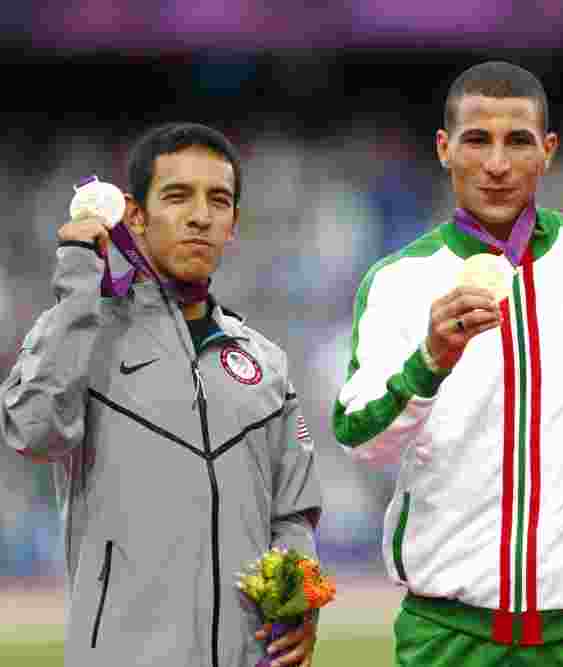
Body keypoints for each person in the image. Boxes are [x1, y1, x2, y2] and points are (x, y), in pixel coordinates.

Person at [333, 61, 563, 666]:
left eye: (518, 141)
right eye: (477, 140)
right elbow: (360, 440)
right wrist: (430, 360)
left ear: (548, 151)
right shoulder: (399, 281)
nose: (497, 164)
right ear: (444, 148)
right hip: (449, 633)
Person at [0, 123, 323, 667]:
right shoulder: (82, 335)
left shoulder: (265, 363)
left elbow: (291, 512)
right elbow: (32, 431)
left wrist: (297, 600)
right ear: (135, 215)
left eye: (218, 200)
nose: (200, 216)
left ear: (234, 223)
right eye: (177, 196)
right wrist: (79, 284)